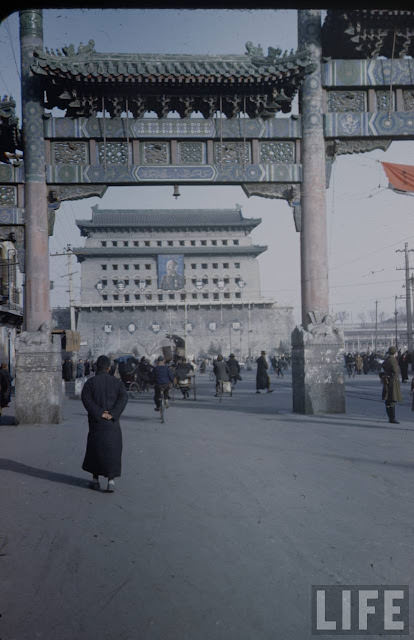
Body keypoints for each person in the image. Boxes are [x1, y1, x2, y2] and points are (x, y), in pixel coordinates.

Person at [81, 354, 128, 492]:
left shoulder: (90, 383)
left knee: (95, 450)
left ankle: (95, 480)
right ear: (108, 368)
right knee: (113, 450)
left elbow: (86, 399)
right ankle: (111, 481)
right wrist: (113, 413)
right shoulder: (117, 383)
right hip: (112, 423)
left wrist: (99, 413)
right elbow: (123, 398)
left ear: (97, 367)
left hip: (96, 422)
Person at [380, 346, 402, 424]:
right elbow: (395, 372)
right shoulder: (393, 360)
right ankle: (392, 418)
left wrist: (385, 376)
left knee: (388, 400)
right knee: (392, 400)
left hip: (387, 381)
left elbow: (382, 368)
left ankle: (390, 417)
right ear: (395, 352)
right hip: (392, 382)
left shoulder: (387, 359)